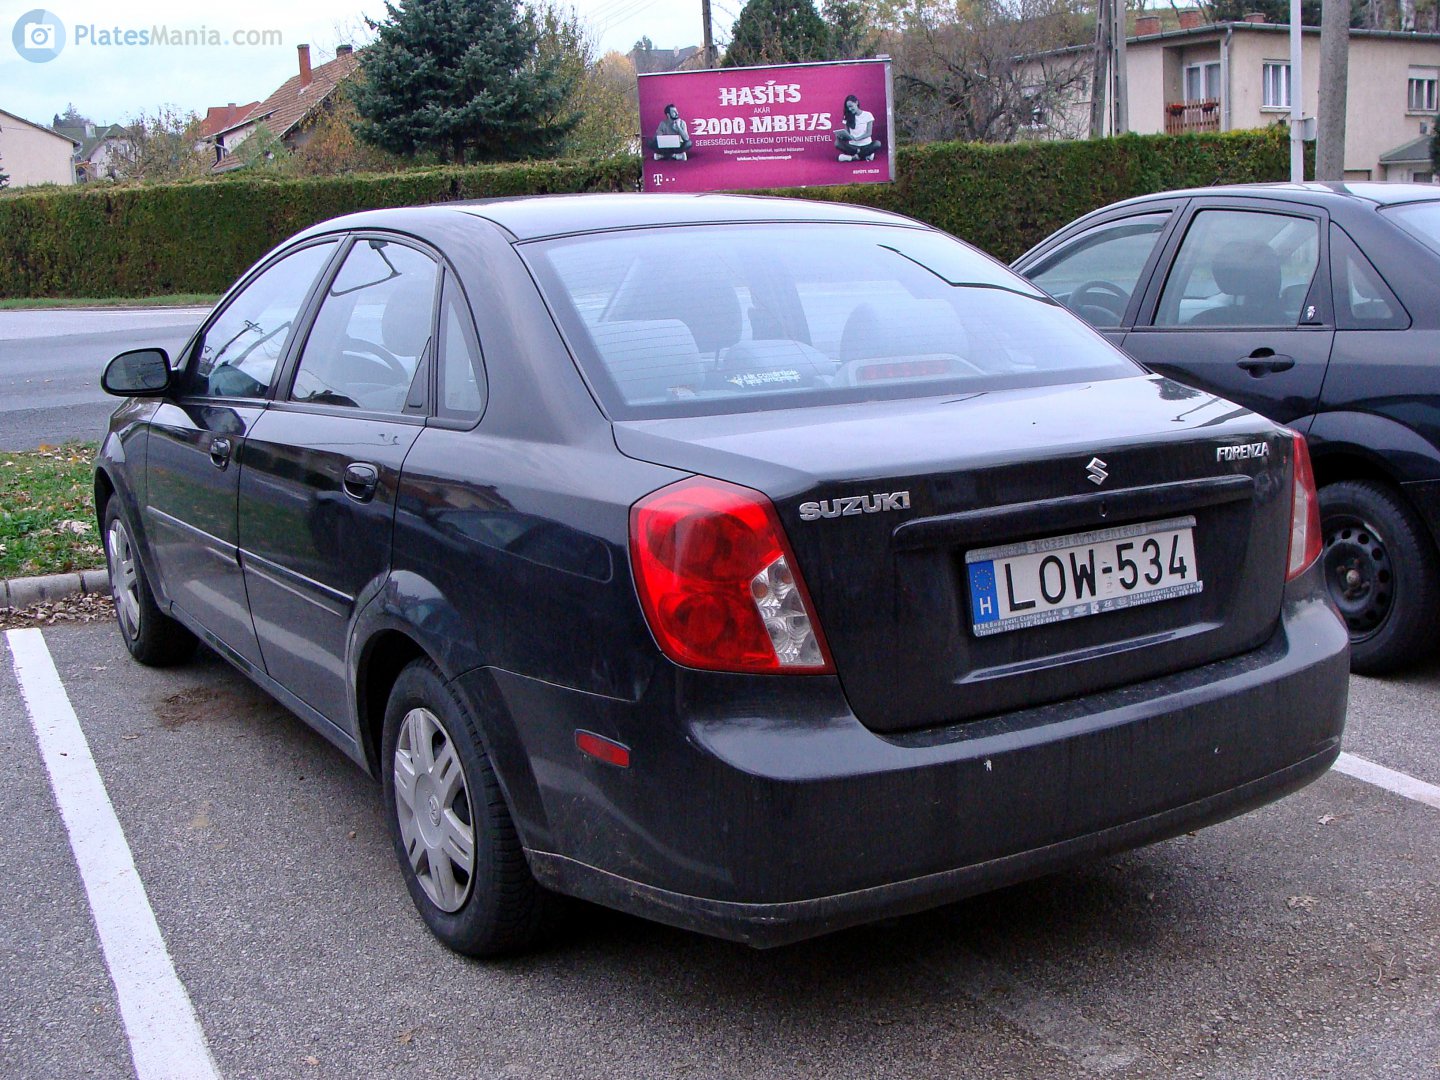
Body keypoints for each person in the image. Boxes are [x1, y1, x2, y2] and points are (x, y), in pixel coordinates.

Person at [835, 95, 879, 162]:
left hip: (866, 145)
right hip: (853, 146)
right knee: (837, 143)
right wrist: (842, 136)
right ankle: (864, 156)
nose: (849, 109)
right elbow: (848, 134)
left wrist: (857, 138)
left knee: (877, 144)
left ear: (856, 103)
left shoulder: (868, 115)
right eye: (848, 107)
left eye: (851, 106)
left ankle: (852, 158)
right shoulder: (847, 116)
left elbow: (869, 133)